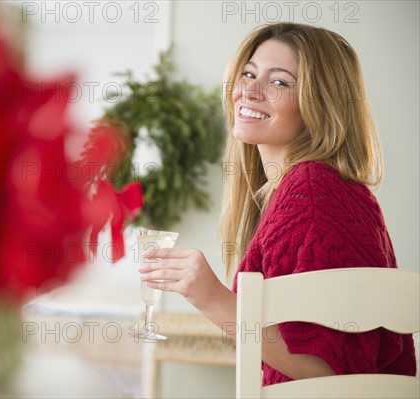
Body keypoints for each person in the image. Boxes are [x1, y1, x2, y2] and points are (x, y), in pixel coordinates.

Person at [139, 22, 417, 385]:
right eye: (249, 74)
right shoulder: (302, 189)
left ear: (320, 103)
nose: (249, 91)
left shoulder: (313, 191)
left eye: (279, 82)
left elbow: (336, 374)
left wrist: (211, 297)